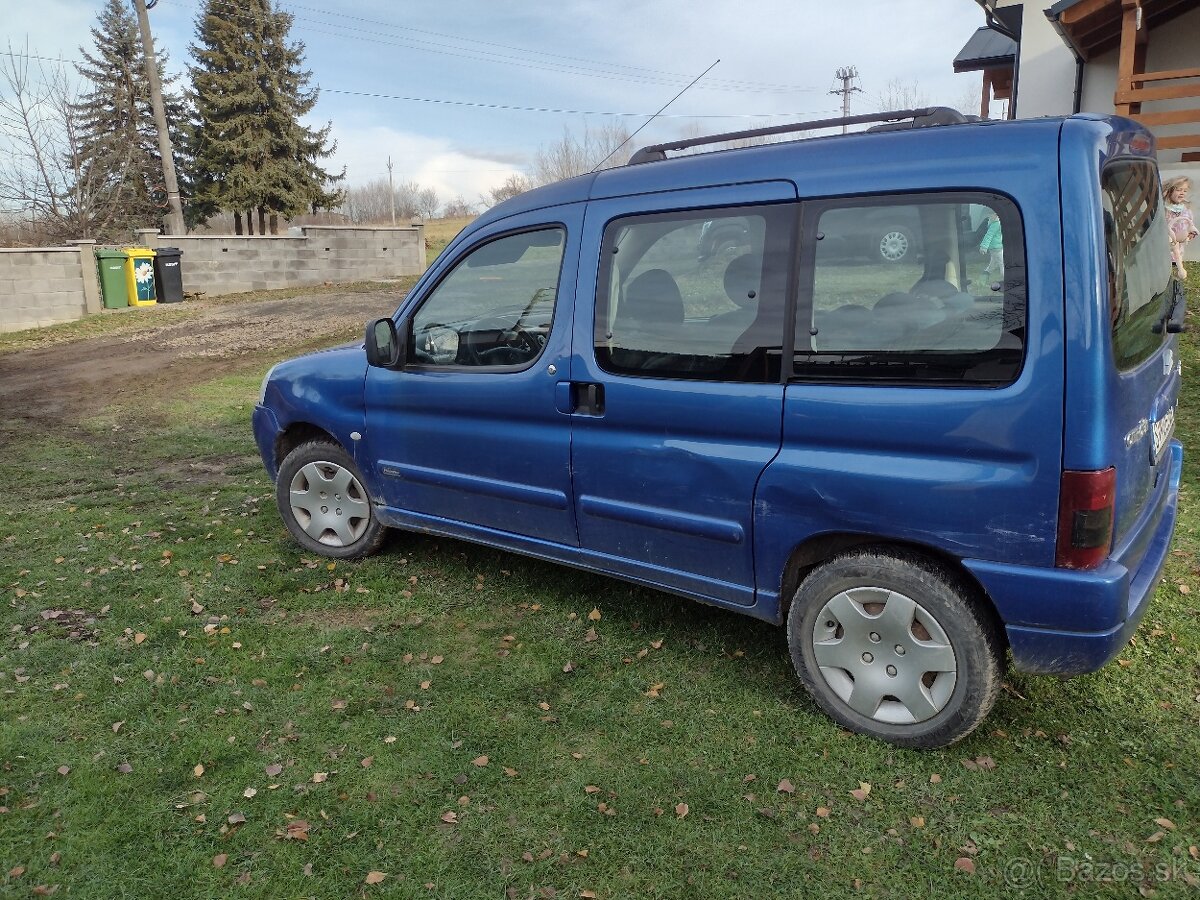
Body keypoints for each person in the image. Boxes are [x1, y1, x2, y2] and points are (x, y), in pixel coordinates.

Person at [1164, 176, 1197, 281]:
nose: (1182, 193)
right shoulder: (1165, 209)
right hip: (1166, 245)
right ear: (1169, 191)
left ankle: (1174, 278)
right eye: (1178, 190)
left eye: (1185, 191)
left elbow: (1190, 224)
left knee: (1176, 262)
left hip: (1178, 247)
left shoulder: (1186, 210)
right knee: (1165, 266)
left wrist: (1191, 233)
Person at [979, 210, 1003, 277]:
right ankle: (1005, 277)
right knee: (1002, 263)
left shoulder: (994, 222)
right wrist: (984, 247)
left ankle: (985, 275)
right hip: (997, 247)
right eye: (989, 215)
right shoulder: (996, 224)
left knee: (994, 262)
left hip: (995, 247)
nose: (990, 216)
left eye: (991, 215)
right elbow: (989, 235)